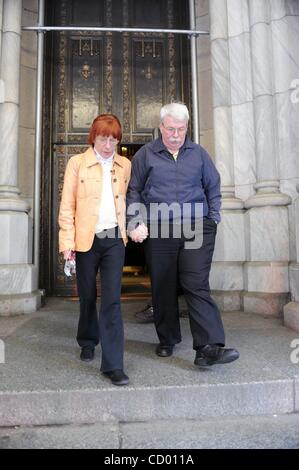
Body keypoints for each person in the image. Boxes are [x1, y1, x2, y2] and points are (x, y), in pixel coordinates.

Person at [127, 102, 239, 367]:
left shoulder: (199, 154)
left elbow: (213, 186)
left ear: (187, 127)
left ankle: (208, 348)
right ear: (160, 127)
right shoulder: (145, 154)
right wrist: (135, 221)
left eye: (181, 129)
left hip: (196, 228)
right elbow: (134, 191)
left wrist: (213, 219)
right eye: (170, 129)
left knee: (196, 283)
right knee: (163, 285)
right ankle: (167, 339)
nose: (176, 134)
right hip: (160, 229)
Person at [58, 114, 131, 385]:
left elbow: (129, 200)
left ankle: (113, 365)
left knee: (112, 300)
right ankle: (88, 340)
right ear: (94, 137)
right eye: (103, 138)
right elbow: (67, 206)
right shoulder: (77, 164)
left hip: (114, 239)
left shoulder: (125, 165)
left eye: (113, 139)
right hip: (85, 239)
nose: (109, 144)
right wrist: (67, 243)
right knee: (87, 295)